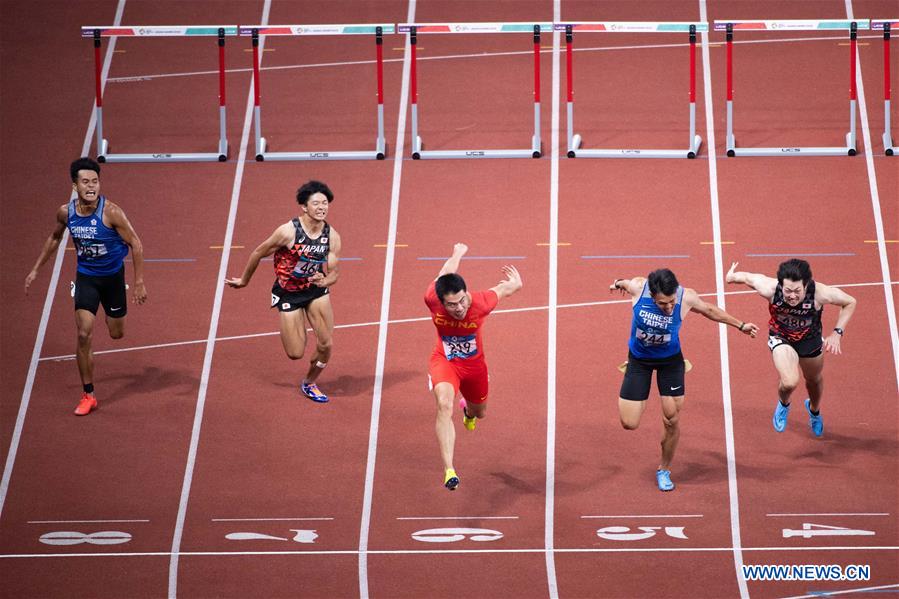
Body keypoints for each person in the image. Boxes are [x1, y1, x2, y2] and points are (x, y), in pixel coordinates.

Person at [610, 269, 758, 491]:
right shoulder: (639, 288)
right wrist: (618, 282)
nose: (669, 308)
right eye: (663, 304)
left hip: (670, 362)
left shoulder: (686, 296)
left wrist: (740, 325)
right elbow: (625, 282)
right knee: (629, 423)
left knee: (671, 419)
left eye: (671, 303)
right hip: (639, 361)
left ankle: (664, 469)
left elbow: (709, 310)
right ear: (651, 294)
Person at [25, 157, 147, 415]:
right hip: (86, 278)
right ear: (75, 186)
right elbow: (55, 237)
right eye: (85, 181)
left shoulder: (111, 212)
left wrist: (138, 282)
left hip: (113, 279)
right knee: (83, 334)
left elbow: (136, 243)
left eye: (95, 181)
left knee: (116, 334)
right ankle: (88, 395)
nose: (91, 186)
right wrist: (36, 269)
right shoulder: (66, 213)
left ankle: (109, 311)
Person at [226, 180, 341, 403]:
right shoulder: (287, 232)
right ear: (304, 207)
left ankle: (309, 383)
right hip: (288, 293)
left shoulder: (332, 236)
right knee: (295, 353)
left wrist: (324, 279)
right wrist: (244, 280)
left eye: (325, 203)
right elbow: (258, 253)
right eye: (316, 203)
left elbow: (335, 273)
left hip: (315, 291)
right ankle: (299, 325)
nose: (321, 207)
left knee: (326, 344)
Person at [425, 243, 522, 491]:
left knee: (480, 413)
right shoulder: (431, 299)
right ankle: (449, 470)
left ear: (466, 294)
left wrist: (515, 281)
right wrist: (456, 253)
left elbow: (509, 288)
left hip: (474, 368)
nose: (458, 309)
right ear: (441, 302)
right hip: (444, 361)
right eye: (451, 305)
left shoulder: (480, 302)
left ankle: (468, 411)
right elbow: (445, 272)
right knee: (444, 403)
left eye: (460, 302)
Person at [726, 259, 856, 437]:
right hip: (781, 337)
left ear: (806, 285)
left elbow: (850, 302)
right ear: (781, 285)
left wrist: (837, 333)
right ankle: (784, 404)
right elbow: (749, 278)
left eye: (797, 291)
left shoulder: (820, 293)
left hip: (810, 340)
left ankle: (814, 411)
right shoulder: (770, 289)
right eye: (787, 291)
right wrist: (731, 276)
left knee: (814, 381)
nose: (792, 296)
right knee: (789, 382)